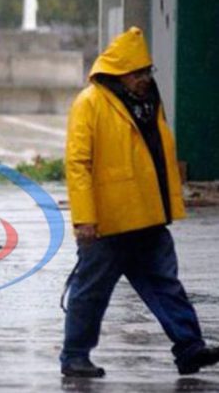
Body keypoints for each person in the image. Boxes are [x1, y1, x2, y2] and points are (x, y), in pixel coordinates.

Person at [61, 27, 219, 377]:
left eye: (147, 71)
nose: (145, 78)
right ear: (119, 73)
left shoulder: (147, 104)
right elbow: (78, 164)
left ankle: (190, 348)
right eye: (138, 73)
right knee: (91, 292)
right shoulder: (90, 103)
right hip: (108, 223)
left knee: (165, 285)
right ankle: (74, 357)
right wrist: (84, 218)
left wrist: (167, 206)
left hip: (147, 217)